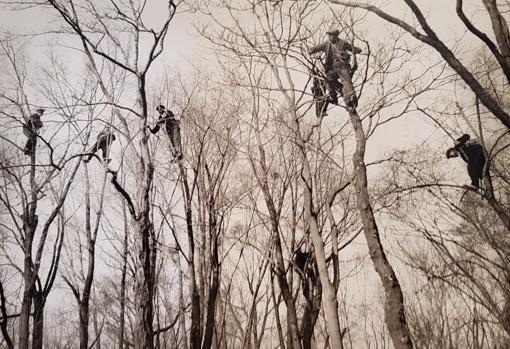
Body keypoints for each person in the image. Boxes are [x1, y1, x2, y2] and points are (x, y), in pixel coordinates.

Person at [308, 28, 361, 107]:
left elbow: (353, 49)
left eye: (333, 35)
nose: (331, 37)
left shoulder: (343, 43)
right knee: (328, 79)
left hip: (342, 66)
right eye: (329, 35)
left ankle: (352, 98)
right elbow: (317, 48)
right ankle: (334, 96)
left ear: (336, 36)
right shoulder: (327, 43)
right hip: (332, 68)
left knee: (347, 82)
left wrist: (357, 50)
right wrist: (310, 50)